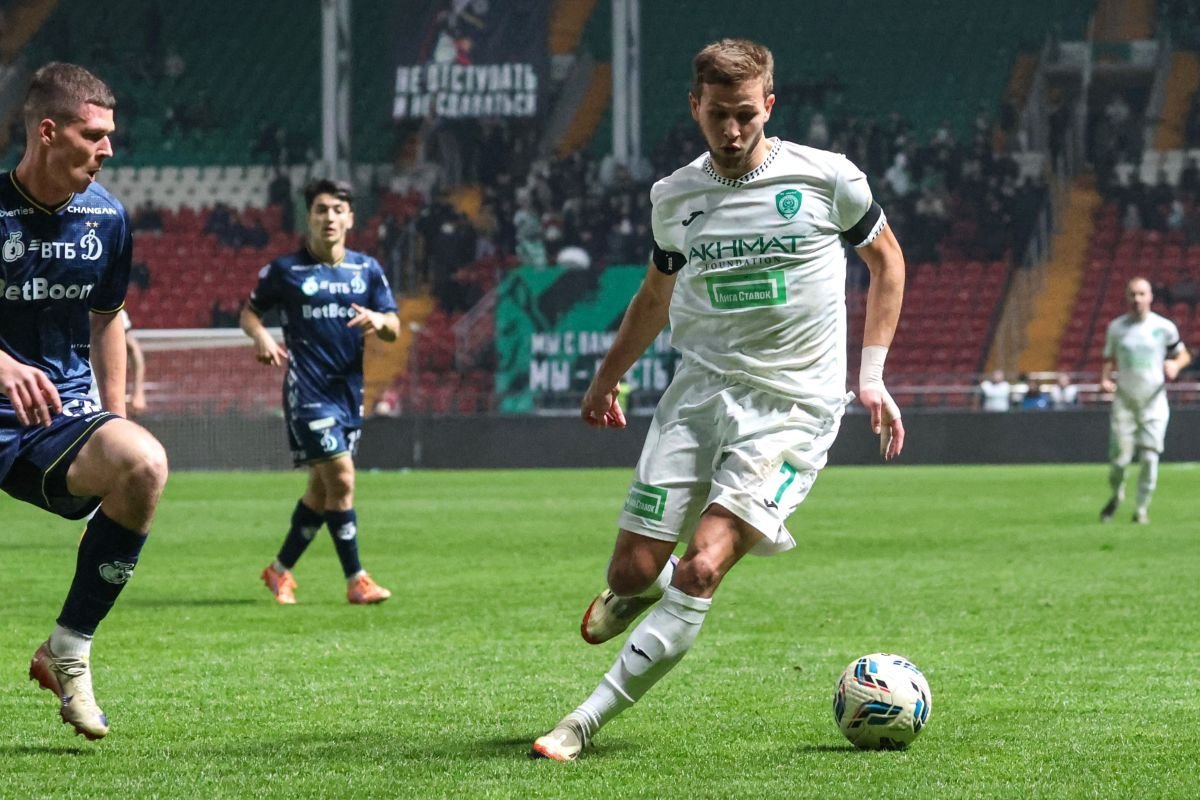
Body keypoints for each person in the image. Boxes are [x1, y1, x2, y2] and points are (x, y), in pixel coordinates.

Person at [530, 39, 906, 762]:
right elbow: (654, 295)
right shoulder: (674, 197)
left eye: (746, 115)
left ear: (769, 106)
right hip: (698, 396)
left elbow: (886, 261)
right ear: (694, 108)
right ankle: (636, 591)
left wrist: (872, 375)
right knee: (631, 571)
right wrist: (606, 378)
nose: (732, 132)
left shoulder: (828, 179)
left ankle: (581, 722)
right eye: (717, 116)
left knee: (703, 567)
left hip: (794, 410)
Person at [0, 63, 169, 740]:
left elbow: (107, 319)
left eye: (110, 135)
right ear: (48, 131)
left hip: (55, 417)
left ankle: (68, 648)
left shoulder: (108, 217)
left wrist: (113, 419)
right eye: (94, 135)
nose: (108, 149)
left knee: (143, 465)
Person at [240, 178, 399, 605]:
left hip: (349, 394)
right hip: (307, 392)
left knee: (321, 491)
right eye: (321, 209)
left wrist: (380, 321)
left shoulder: (367, 270)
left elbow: (394, 326)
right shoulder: (285, 270)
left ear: (350, 218)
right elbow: (250, 313)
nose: (329, 217)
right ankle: (357, 580)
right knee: (342, 479)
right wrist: (261, 336)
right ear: (308, 217)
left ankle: (278, 571)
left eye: (337, 210)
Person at [1098, 277, 1191, 524]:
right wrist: (1105, 379)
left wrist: (1175, 364)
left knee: (1150, 458)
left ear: (1150, 297)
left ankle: (1141, 509)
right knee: (1119, 461)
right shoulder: (1116, 328)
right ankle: (1117, 494)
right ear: (1126, 297)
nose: (1137, 299)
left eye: (1141, 294)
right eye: (1132, 294)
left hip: (1154, 401)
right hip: (1125, 401)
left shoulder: (1164, 327)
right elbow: (1109, 358)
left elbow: (1183, 354)